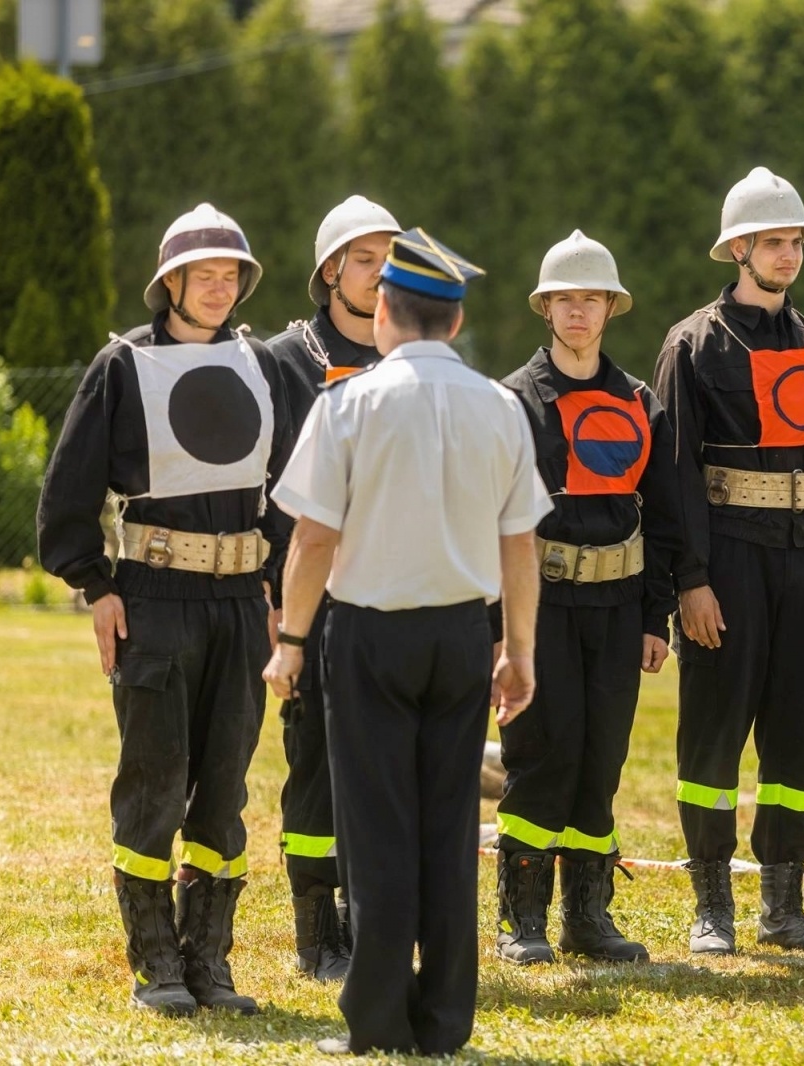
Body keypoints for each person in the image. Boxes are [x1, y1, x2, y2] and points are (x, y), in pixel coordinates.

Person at [263, 227, 550, 1056]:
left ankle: (380, 1019)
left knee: (376, 826)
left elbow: (314, 538)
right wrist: (518, 649)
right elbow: (520, 543)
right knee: (449, 825)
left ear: (384, 311)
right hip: (462, 632)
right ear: (455, 322)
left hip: (370, 634)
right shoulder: (500, 406)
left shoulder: (348, 404)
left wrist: (290, 639)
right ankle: (445, 1021)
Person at [37, 203, 288, 1015]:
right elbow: (68, 491)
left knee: (225, 786)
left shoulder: (261, 364)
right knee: (154, 781)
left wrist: (281, 588)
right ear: (169, 283)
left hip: (241, 601)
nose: (218, 288)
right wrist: (96, 586)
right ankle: (156, 964)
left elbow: (290, 488)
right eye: (202, 275)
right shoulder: (121, 366)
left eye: (230, 275)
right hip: (154, 598)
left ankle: (208, 961)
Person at [654, 166, 804, 956]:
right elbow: (675, 476)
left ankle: (784, 905)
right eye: (773, 242)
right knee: (713, 737)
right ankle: (712, 906)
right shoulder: (693, 344)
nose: (789, 254)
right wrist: (691, 581)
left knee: (793, 740)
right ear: (738, 249)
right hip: (729, 564)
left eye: (796, 242)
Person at [491, 230, 683, 966]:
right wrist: (500, 631)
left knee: (601, 757)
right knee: (542, 752)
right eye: (565, 299)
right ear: (545, 309)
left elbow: (664, 518)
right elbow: (489, 521)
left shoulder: (640, 402)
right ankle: (522, 920)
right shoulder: (513, 400)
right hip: (538, 607)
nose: (578, 311)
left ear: (610, 308)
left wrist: (655, 616)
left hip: (618, 606)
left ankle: (586, 918)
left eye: (591, 299)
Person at [266, 194, 401, 981]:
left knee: (384, 764)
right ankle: (316, 931)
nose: (380, 272)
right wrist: (273, 598)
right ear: (329, 271)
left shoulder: (411, 359)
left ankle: (366, 921)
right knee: (315, 762)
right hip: (313, 595)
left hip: (397, 593)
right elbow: (263, 492)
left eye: (390, 258)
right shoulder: (283, 362)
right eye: (364, 258)